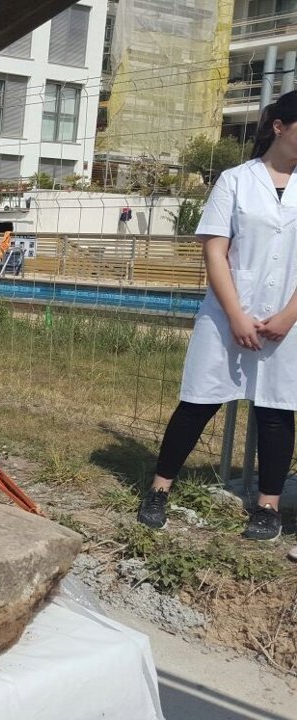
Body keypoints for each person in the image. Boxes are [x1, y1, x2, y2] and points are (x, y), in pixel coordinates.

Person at [136, 91, 297, 543]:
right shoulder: (236, 180)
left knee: (277, 410)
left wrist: (288, 315)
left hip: (287, 321)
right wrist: (237, 315)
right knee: (198, 401)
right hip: (228, 315)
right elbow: (215, 250)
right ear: (280, 127)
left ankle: (268, 507)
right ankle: (159, 489)